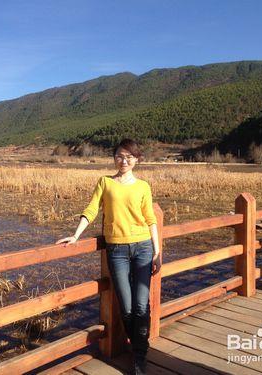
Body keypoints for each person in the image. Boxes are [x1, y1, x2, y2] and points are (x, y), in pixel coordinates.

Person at [56, 139, 161, 375]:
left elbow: (150, 219)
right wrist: (75, 235)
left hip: (143, 248)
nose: (124, 161)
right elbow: (92, 209)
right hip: (117, 251)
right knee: (126, 307)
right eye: (120, 156)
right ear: (114, 157)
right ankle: (138, 346)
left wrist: (157, 251)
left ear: (136, 160)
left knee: (141, 305)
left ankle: (139, 356)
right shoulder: (105, 182)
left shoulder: (143, 186)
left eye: (129, 157)